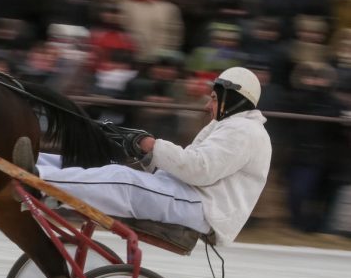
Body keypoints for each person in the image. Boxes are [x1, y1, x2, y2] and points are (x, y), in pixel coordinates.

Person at [33, 67, 271, 246]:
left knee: (122, 179)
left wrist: (151, 145)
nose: (208, 105)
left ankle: (39, 178)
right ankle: (35, 161)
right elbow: (190, 165)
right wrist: (144, 154)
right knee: (103, 164)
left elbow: (199, 169)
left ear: (233, 98)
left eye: (214, 98)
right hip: (190, 195)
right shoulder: (229, 126)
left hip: (205, 209)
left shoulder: (243, 130)